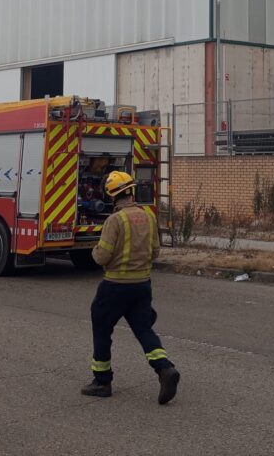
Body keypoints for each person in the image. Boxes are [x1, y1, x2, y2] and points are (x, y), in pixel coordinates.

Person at [81, 171, 180, 405]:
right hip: (142, 285)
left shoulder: (115, 220)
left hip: (115, 286)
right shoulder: (148, 217)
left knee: (102, 329)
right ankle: (164, 368)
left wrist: (94, 252)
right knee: (144, 329)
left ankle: (102, 381)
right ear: (131, 190)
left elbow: (102, 256)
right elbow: (155, 251)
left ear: (112, 195)